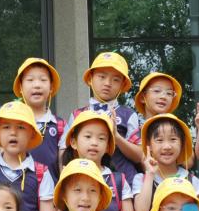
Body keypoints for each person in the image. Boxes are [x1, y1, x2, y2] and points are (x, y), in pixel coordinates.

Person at [59, 52, 141, 184]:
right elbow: (65, 150)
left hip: (124, 183)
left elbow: (139, 156)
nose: (107, 83)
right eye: (102, 77)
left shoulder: (129, 114)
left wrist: (117, 137)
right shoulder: (77, 114)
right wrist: (65, 180)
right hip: (86, 183)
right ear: (91, 78)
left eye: (116, 79)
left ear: (122, 85)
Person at [133, 114, 199, 211]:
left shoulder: (192, 182)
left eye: (173, 139)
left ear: (182, 144)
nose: (167, 146)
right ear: (149, 145)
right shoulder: (141, 179)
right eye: (159, 140)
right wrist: (150, 174)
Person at [12, 57, 63, 174]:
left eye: (43, 80)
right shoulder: (12, 122)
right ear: (20, 87)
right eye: (30, 80)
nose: (37, 85)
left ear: (51, 87)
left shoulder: (60, 125)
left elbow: (63, 166)